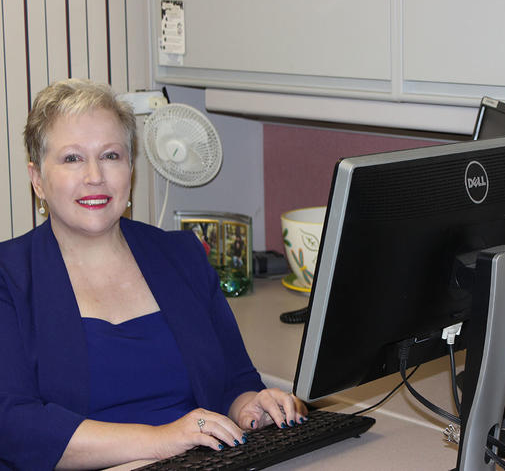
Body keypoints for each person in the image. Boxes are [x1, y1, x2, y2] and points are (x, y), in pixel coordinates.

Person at [0, 79, 307, 470]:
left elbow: (235, 379)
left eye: (111, 155)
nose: (95, 176)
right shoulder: (10, 277)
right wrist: (163, 439)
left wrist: (253, 406)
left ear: (130, 167)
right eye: (72, 158)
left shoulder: (181, 255)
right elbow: (14, 425)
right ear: (37, 179)